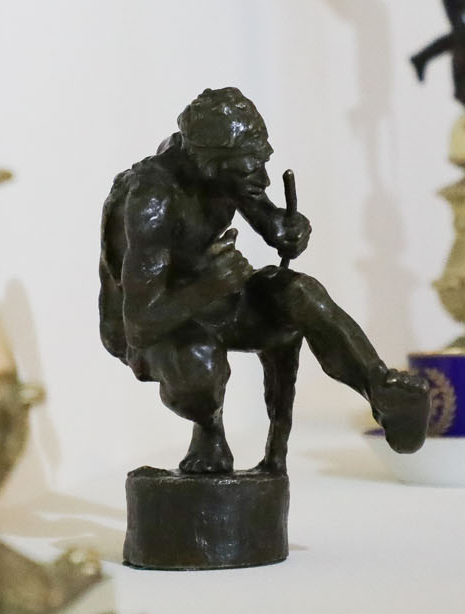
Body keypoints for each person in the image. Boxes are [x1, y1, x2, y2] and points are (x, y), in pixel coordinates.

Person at [99, 88, 431, 475]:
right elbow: (138, 323)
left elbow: (266, 217)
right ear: (209, 166)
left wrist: (286, 229)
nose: (262, 177)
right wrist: (211, 284)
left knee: (301, 293)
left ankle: (381, 390)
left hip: (212, 298)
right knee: (198, 361)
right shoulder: (151, 201)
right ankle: (209, 434)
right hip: (154, 324)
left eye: (262, 163)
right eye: (248, 169)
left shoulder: (223, 166)